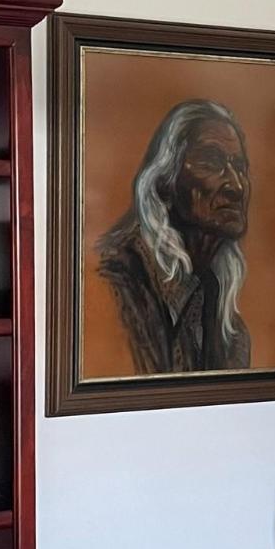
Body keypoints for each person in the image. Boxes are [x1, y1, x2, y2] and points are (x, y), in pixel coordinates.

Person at [96, 99, 252, 374]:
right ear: (164, 183)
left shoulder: (226, 325)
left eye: (239, 167)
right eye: (211, 161)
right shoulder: (113, 289)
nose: (237, 186)